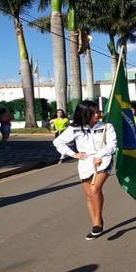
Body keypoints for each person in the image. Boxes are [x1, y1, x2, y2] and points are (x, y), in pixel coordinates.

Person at [53, 101, 117, 241]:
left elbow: (112, 145)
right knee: (89, 195)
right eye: (94, 112)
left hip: (103, 160)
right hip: (85, 162)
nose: (97, 114)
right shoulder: (74, 129)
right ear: (85, 113)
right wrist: (73, 154)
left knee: (95, 189)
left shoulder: (106, 127)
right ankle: (96, 222)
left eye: (98, 111)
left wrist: (100, 155)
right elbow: (58, 142)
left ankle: (98, 223)